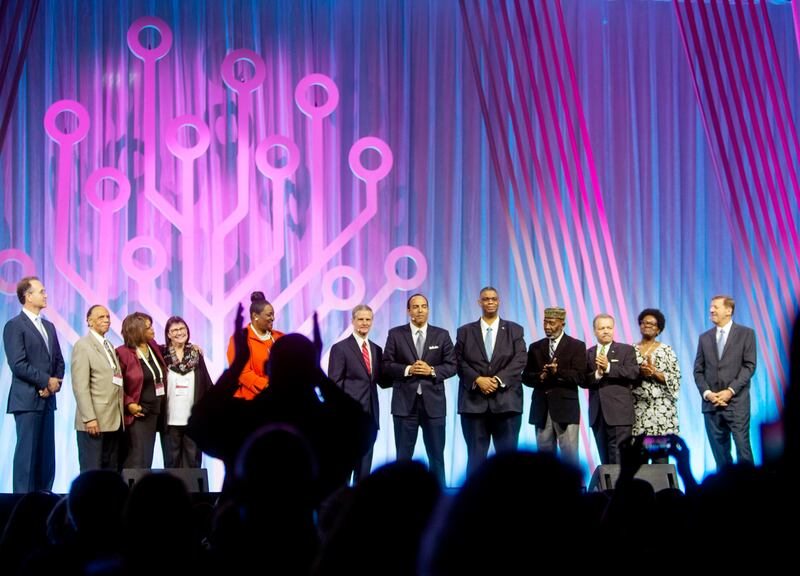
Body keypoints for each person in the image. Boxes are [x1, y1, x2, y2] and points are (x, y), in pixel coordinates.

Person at [382, 293, 456, 486]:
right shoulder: (396, 334)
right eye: (415, 306)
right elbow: (386, 365)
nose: (420, 310)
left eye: (424, 306)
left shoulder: (442, 334)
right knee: (403, 457)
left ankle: (439, 497)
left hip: (434, 404)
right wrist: (408, 369)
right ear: (408, 311)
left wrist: (431, 370)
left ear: (428, 309)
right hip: (405, 405)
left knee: (437, 455)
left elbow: (452, 365)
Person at [454, 286, 527, 476]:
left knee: (509, 460)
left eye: (493, 298)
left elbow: (520, 359)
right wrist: (478, 379)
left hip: (507, 403)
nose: (490, 302)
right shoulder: (465, 331)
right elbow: (458, 361)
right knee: (476, 459)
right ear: (479, 302)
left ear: (499, 301)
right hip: (474, 404)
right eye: (486, 299)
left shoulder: (515, 330)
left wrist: (496, 380)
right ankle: (475, 502)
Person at [3, 276, 65, 493]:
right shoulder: (14, 326)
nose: (45, 295)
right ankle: (21, 506)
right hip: (27, 400)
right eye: (41, 291)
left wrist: (53, 384)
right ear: (28, 296)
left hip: (48, 400)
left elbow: (58, 361)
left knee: (47, 457)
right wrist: (44, 381)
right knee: (27, 459)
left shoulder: (49, 326)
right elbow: (18, 364)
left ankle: (45, 501)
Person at [327, 304, 390, 483]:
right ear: (353, 321)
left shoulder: (377, 350)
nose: (364, 323)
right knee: (345, 469)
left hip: (370, 418)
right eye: (360, 319)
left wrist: (406, 372)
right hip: (348, 418)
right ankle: (340, 507)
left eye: (368, 319)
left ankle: (359, 506)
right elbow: (335, 384)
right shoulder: (340, 348)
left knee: (364, 471)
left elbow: (383, 381)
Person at [693, 295, 756, 468]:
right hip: (711, 405)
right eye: (710, 307)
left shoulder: (746, 334)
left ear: (728, 310)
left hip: (737, 403)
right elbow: (698, 370)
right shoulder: (704, 338)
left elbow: (749, 366)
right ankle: (726, 492)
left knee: (743, 451)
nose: (711, 310)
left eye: (715, 307)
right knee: (720, 457)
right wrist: (708, 394)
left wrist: (730, 391)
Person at [521, 306, 587, 465]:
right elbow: (526, 377)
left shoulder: (576, 345)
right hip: (541, 408)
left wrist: (558, 372)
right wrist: (541, 376)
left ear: (562, 324)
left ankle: (572, 489)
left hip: (565, 407)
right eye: (545, 323)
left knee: (569, 455)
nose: (547, 327)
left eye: (551, 323)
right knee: (543, 458)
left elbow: (580, 377)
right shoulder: (536, 347)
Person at [70, 305, 124, 472]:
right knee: (92, 472)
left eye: (108, 316)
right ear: (89, 321)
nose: (106, 320)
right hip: (95, 421)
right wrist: (89, 418)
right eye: (101, 317)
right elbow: (80, 385)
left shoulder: (108, 345)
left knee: (111, 471)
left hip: (113, 419)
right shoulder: (83, 345)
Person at [585, 313, 639, 464]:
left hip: (619, 413)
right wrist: (597, 373)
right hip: (597, 414)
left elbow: (633, 373)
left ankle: (619, 488)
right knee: (605, 461)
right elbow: (583, 380)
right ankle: (607, 488)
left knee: (619, 459)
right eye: (601, 328)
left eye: (609, 327)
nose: (606, 331)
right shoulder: (588, 352)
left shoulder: (626, 350)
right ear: (594, 331)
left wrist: (608, 367)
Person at [116, 312, 168, 469]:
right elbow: (116, 385)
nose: (153, 330)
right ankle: (131, 491)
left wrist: (191, 347)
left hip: (156, 410)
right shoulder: (123, 353)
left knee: (148, 457)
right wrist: (129, 404)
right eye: (148, 328)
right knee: (139, 459)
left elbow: (172, 349)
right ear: (136, 331)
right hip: (138, 412)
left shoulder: (152, 346)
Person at [162, 316, 213, 468]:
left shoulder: (196, 354)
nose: (179, 332)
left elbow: (207, 383)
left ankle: (194, 493)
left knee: (193, 463)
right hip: (170, 419)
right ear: (168, 334)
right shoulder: (161, 355)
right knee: (172, 463)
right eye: (174, 330)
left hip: (193, 419)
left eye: (182, 328)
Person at [633, 309, 681, 455]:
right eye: (644, 322)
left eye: (652, 324)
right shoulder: (630, 350)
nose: (647, 325)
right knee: (639, 458)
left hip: (661, 413)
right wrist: (639, 373)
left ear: (658, 329)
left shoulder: (667, 350)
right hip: (638, 412)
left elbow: (675, 378)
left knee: (660, 458)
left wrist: (654, 373)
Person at [226, 291, 284, 400]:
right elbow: (242, 372)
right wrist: (267, 386)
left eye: (273, 314)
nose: (273, 318)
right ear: (255, 316)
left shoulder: (280, 338)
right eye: (269, 314)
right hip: (249, 402)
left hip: (278, 399)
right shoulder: (239, 339)